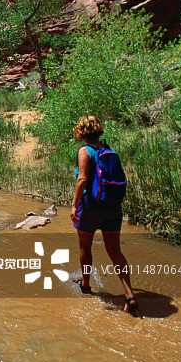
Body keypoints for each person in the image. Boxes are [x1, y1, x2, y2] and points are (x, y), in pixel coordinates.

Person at [70, 115, 140, 316]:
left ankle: (85, 285)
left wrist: (74, 206)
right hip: (112, 208)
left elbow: (82, 179)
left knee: (85, 246)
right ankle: (130, 294)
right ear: (99, 131)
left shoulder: (85, 151)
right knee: (115, 252)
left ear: (81, 133)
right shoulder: (109, 150)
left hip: (91, 207)